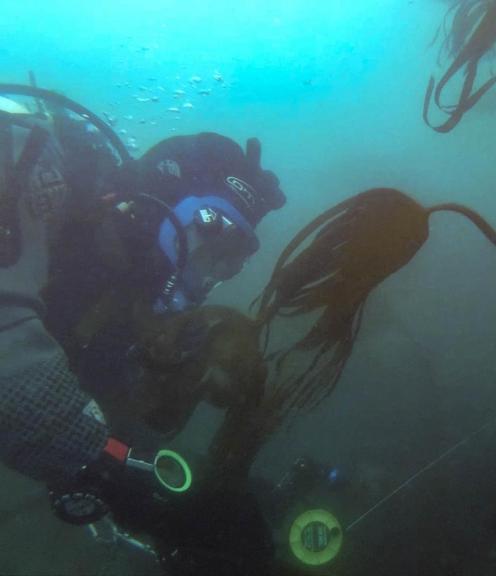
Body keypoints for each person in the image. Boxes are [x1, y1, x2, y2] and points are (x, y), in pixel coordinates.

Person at [0, 84, 285, 574]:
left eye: (227, 265)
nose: (205, 277)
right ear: (164, 200)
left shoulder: (121, 299)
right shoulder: (27, 174)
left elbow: (98, 414)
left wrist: (192, 488)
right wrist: (129, 488)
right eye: (209, 243)